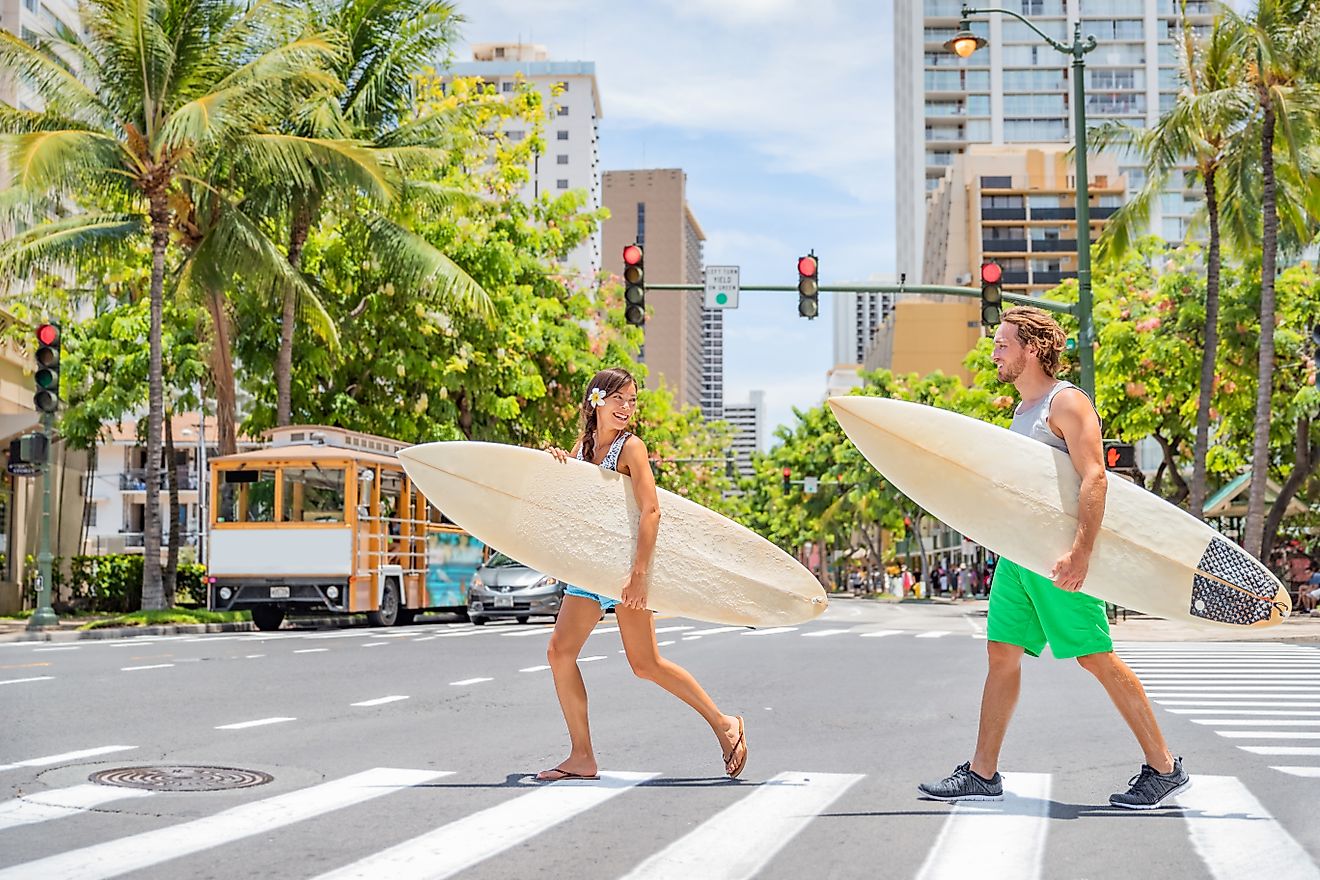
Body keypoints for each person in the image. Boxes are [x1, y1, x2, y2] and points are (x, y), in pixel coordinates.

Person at [918, 307, 1189, 809]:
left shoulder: (1066, 403)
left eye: (1003, 344)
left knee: (1094, 655)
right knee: (1001, 653)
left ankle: (1164, 766)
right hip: (1018, 557)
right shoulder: (1023, 412)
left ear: (1033, 350)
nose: (994, 352)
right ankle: (982, 773)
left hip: (1058, 557)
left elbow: (1095, 477)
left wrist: (1082, 552)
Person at [538, 367, 748, 781]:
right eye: (619, 399)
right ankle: (581, 755)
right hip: (590, 568)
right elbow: (567, 503)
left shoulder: (630, 448)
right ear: (596, 401)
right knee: (559, 653)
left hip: (625, 567)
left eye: (632, 401)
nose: (627, 408)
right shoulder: (581, 451)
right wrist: (555, 463)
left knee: (645, 664)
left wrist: (639, 574)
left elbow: (651, 510)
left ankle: (725, 724)